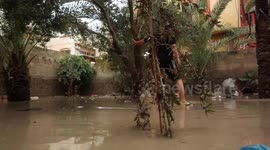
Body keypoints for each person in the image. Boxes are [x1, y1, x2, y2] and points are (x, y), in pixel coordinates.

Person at [133, 25, 190, 106]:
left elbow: (144, 40)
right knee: (178, 79)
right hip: (168, 61)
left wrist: (136, 43)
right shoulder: (170, 38)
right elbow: (174, 49)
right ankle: (182, 100)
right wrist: (178, 59)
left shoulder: (155, 36)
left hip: (157, 62)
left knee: (158, 80)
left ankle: (157, 100)